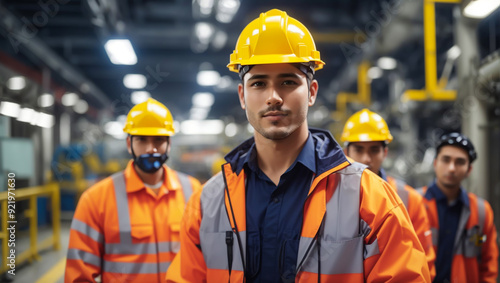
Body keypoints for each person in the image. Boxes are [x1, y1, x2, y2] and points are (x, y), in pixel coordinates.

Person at [167, 9, 430, 282]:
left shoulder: (370, 198)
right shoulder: (207, 203)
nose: (273, 97)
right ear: (242, 96)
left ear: (312, 92)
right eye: (259, 83)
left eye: (288, 82)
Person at [65, 98, 202, 283]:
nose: (150, 149)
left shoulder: (194, 192)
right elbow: (79, 276)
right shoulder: (96, 199)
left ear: (169, 143)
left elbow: (206, 259)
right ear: (129, 144)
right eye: (142, 140)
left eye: (159, 140)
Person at [340, 108, 436, 280]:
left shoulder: (408, 198)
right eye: (359, 150)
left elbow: (425, 261)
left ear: (385, 152)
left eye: (374, 150)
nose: (366, 159)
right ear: (346, 153)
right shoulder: (333, 197)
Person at [418, 132, 498, 283]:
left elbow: (489, 261)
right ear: (435, 163)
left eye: (460, 162)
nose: (452, 168)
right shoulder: (414, 203)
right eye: (446, 160)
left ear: (469, 169)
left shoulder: (481, 211)